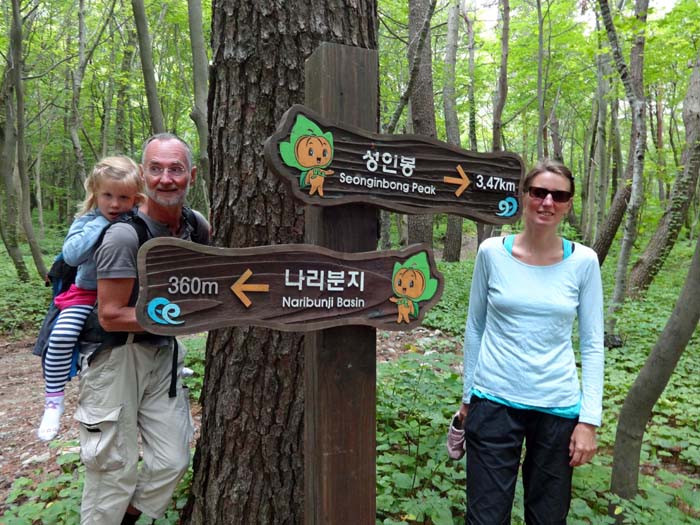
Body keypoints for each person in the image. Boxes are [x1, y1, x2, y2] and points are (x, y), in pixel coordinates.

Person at [457, 159, 604, 524]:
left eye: (559, 195)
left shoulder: (584, 261)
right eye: (539, 192)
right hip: (493, 402)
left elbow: (592, 343)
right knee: (485, 518)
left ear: (569, 204)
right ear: (524, 197)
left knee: (547, 518)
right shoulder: (491, 252)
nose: (547, 202)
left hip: (557, 409)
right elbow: (475, 326)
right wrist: (467, 397)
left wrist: (589, 420)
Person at [75, 133, 210, 525]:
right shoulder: (123, 235)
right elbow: (111, 314)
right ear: (143, 175)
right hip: (117, 357)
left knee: (172, 459)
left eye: (176, 169)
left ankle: (128, 519)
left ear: (191, 175)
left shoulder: (193, 227)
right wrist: (178, 314)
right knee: (112, 469)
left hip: (162, 356)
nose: (166, 178)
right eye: (156, 169)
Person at [37, 156, 144, 441]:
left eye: (123, 197)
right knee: (60, 337)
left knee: (151, 322)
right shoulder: (86, 222)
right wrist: (101, 226)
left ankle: (164, 367)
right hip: (85, 294)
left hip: (127, 293)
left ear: (135, 197)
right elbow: (72, 255)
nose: (114, 204)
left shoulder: (139, 222)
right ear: (95, 194)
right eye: (107, 195)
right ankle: (53, 399)